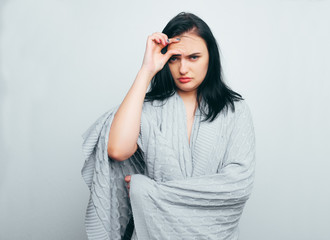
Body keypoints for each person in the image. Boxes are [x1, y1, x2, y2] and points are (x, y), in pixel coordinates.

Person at [81, 12, 256, 240]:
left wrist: (148, 192)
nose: (183, 69)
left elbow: (237, 187)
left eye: (194, 57)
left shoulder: (235, 111)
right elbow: (117, 150)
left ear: (210, 58)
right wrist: (147, 69)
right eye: (174, 58)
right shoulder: (146, 110)